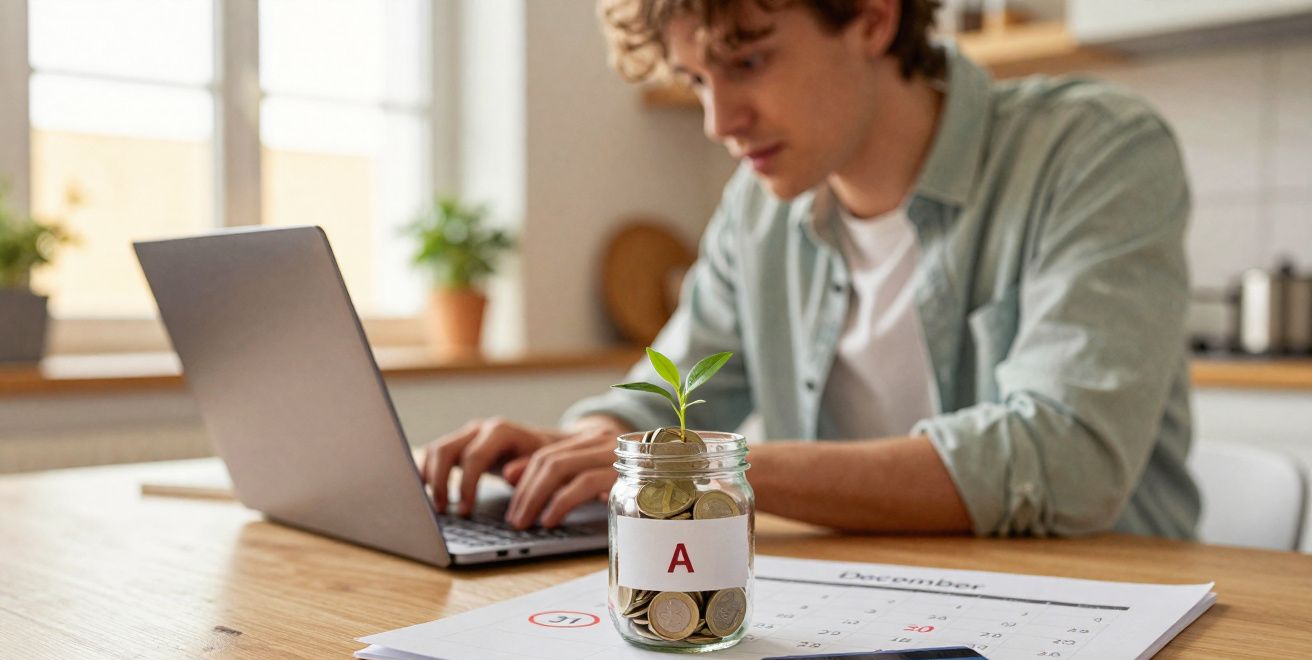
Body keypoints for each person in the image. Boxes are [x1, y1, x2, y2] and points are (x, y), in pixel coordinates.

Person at [419, 0, 1200, 539]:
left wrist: (714, 468)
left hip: (1105, 618)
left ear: (872, 16)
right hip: (858, 616)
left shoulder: (1094, 150)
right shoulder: (757, 210)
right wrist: (582, 446)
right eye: (695, 80)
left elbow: (1065, 462)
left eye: (748, 61)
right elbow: (672, 392)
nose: (719, 122)